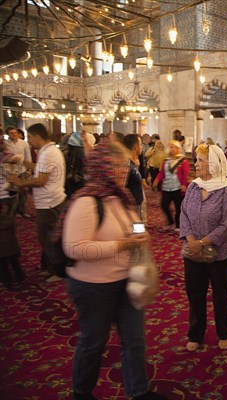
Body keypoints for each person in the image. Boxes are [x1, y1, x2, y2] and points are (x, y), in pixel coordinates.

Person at [60, 142, 167, 400]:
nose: (123, 171)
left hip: (125, 280)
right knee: (93, 342)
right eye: (117, 166)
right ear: (102, 168)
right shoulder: (87, 201)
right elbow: (75, 248)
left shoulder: (122, 198)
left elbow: (135, 226)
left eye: (126, 165)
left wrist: (140, 237)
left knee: (134, 340)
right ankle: (81, 392)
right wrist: (124, 244)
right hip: (93, 285)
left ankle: (139, 391)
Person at [180, 144, 227, 352]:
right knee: (195, 294)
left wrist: (203, 243)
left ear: (214, 164)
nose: (196, 164)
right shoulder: (193, 186)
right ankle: (195, 333)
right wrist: (191, 241)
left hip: (219, 253)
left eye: (200, 160)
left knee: (220, 295)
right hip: (192, 252)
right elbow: (183, 214)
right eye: (196, 159)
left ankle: (223, 332)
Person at [7, 123, 67, 283]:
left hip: (50, 202)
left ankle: (59, 271)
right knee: (46, 237)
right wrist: (23, 162)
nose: (29, 141)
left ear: (37, 136)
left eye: (30, 137)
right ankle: (51, 267)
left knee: (50, 238)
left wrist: (18, 182)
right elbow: (40, 169)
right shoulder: (48, 151)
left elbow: (41, 180)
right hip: (49, 201)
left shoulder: (49, 153)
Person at [152, 140, 190, 233]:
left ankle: (178, 225)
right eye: (170, 147)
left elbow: (186, 174)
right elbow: (162, 173)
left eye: (174, 147)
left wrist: (184, 185)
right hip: (166, 187)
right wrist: (156, 181)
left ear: (178, 149)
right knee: (164, 205)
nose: (172, 149)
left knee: (178, 207)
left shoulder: (182, 160)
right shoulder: (166, 160)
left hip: (178, 187)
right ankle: (170, 222)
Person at [5, 125, 32, 217]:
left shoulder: (24, 143)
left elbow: (28, 156)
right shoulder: (5, 143)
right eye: (11, 133)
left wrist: (29, 170)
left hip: (23, 170)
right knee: (13, 193)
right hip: (11, 171)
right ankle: (14, 211)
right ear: (8, 134)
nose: (14, 135)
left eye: (15, 133)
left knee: (23, 192)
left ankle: (22, 210)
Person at [123, 134, 146, 222]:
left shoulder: (133, 163)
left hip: (136, 205)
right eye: (140, 145)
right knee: (136, 232)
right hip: (130, 208)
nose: (141, 147)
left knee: (138, 232)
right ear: (135, 147)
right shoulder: (126, 164)